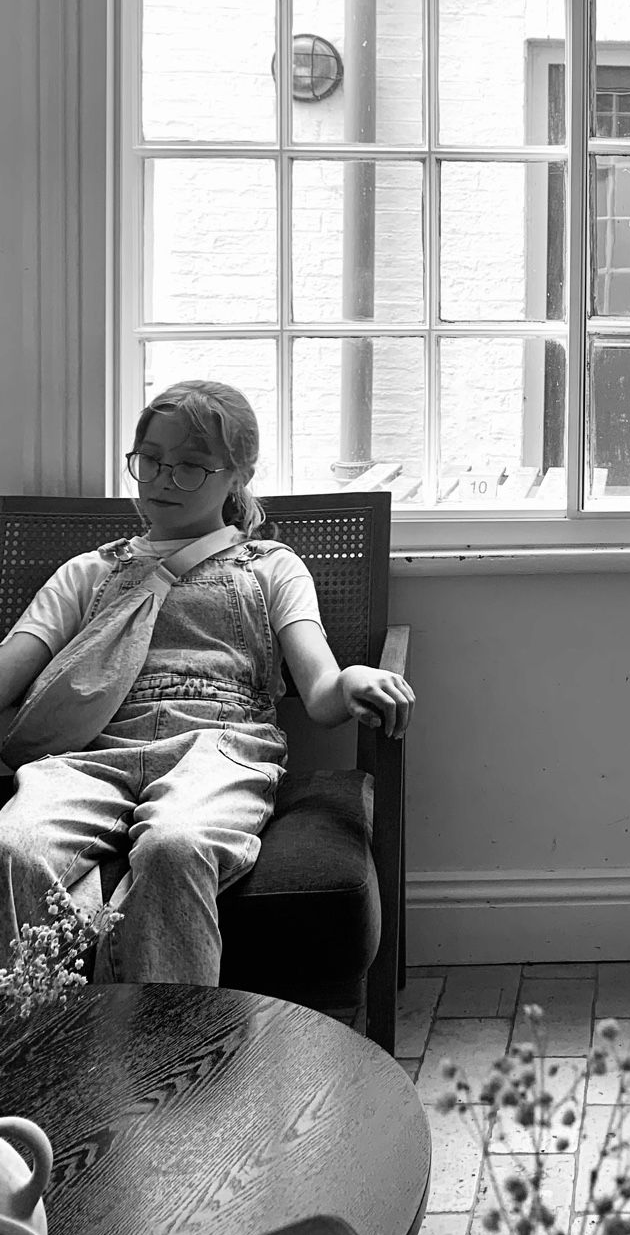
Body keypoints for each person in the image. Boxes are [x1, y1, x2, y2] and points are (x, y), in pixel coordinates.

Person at [0, 379, 415, 985]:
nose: (165, 480)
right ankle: (38, 1048)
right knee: (17, 845)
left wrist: (353, 678)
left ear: (237, 474)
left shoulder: (269, 566)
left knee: (175, 845)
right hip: (91, 754)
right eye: (151, 462)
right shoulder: (89, 573)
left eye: (192, 466)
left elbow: (321, 691)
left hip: (220, 749)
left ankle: (169, 1060)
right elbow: (12, 667)